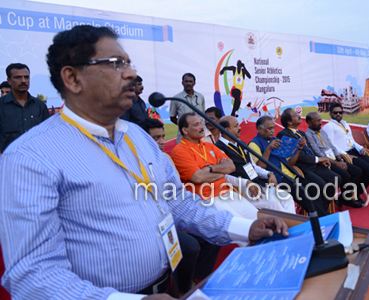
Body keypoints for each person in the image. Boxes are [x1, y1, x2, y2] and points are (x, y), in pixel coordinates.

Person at [0, 25, 288, 299]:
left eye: (130, 64)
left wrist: (244, 227)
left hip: (166, 286)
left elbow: (179, 203)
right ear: (73, 78)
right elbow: (32, 275)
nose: (131, 74)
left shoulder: (138, 137)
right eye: (116, 64)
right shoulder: (30, 157)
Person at [138, 117, 221, 294]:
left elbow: (177, 193)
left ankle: (197, 280)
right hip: (149, 224)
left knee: (213, 235)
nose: (161, 142)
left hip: (175, 213)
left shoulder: (165, 158)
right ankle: (183, 291)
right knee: (190, 246)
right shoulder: (135, 163)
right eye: (155, 138)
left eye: (162, 137)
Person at [171, 112, 262, 220]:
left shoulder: (209, 146)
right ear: (185, 130)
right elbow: (198, 177)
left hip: (228, 192)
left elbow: (231, 166)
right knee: (248, 227)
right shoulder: (180, 151)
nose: (201, 127)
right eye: (196, 125)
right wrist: (221, 172)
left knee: (259, 220)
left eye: (201, 123)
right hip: (208, 199)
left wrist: (210, 169)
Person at [277, 108, 362, 207]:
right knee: (321, 185)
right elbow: (298, 157)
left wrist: (321, 160)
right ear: (289, 122)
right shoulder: (283, 135)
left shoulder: (301, 133)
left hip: (314, 164)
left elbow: (311, 151)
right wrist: (318, 159)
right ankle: (318, 210)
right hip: (302, 168)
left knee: (337, 178)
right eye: (296, 115)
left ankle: (321, 208)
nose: (299, 116)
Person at [249, 116, 331, 216]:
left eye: (273, 128)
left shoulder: (276, 140)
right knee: (305, 195)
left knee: (314, 189)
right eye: (269, 128)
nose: (273, 131)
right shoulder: (254, 144)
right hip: (277, 180)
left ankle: (318, 217)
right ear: (260, 129)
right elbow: (259, 168)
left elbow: (290, 163)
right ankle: (322, 220)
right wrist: (268, 149)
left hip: (291, 175)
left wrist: (299, 148)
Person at [215, 115, 296, 213]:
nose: (240, 128)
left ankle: (294, 227)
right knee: (272, 202)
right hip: (241, 190)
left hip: (257, 185)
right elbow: (224, 176)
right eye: (236, 126)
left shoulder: (241, 143)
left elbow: (254, 167)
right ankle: (288, 226)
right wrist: (246, 183)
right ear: (227, 130)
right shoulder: (219, 149)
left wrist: (268, 174)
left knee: (286, 197)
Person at [305, 111, 368, 207]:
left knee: (357, 171)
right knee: (345, 175)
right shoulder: (308, 135)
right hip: (325, 162)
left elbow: (332, 146)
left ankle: (344, 198)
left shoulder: (322, 131)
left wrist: (340, 160)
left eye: (320, 120)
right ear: (309, 122)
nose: (320, 122)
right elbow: (317, 153)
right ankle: (347, 200)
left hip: (335, 158)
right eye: (317, 121)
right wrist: (336, 163)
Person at [321, 103, 369, 191]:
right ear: (330, 114)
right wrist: (346, 155)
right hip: (344, 155)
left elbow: (352, 141)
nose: (338, 114)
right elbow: (331, 145)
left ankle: (357, 190)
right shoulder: (329, 127)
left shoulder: (345, 124)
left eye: (340, 112)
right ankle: (353, 193)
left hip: (354, 151)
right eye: (335, 113)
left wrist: (361, 148)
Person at [0, 63, 49, 154]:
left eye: (26, 77)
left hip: (36, 161)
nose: (23, 81)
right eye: (18, 77)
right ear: (9, 81)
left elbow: (48, 135)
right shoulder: (1, 105)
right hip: (9, 162)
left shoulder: (39, 106)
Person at [169, 73, 206, 143]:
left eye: (190, 81)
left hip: (200, 135)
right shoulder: (176, 98)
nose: (188, 83)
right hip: (184, 136)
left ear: (194, 83)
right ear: (182, 83)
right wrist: (185, 126)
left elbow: (202, 114)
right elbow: (172, 117)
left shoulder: (200, 97)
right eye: (186, 81)